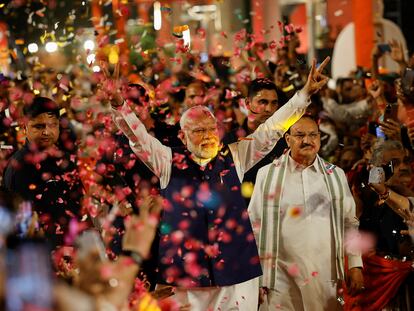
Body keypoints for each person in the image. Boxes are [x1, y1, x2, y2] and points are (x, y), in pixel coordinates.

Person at [104, 57, 330, 310]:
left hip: (235, 275)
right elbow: (138, 138)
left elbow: (273, 129)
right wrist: (118, 103)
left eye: (211, 129)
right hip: (184, 278)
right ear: (182, 135)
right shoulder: (167, 160)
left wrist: (305, 93)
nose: (208, 136)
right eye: (199, 131)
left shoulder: (235, 155)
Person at [248, 115, 364, 310]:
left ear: (319, 138)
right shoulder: (267, 174)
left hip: (325, 274)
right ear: (288, 139)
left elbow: (349, 223)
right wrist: (256, 278)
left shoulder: (335, 175)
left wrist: (355, 264)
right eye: (300, 135)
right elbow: (254, 225)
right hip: (279, 276)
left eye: (313, 135)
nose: (307, 141)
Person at [2, 97, 83, 246]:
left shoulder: (66, 159)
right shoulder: (19, 167)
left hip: (75, 250)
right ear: (25, 127)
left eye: (52, 125)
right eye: (39, 126)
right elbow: (18, 226)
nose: (46, 132)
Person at [351, 140, 414, 310]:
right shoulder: (363, 200)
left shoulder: (405, 200)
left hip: (404, 286)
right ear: (377, 169)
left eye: (406, 161)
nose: (403, 167)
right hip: (372, 283)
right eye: (394, 163)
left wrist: (383, 191)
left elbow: (407, 206)